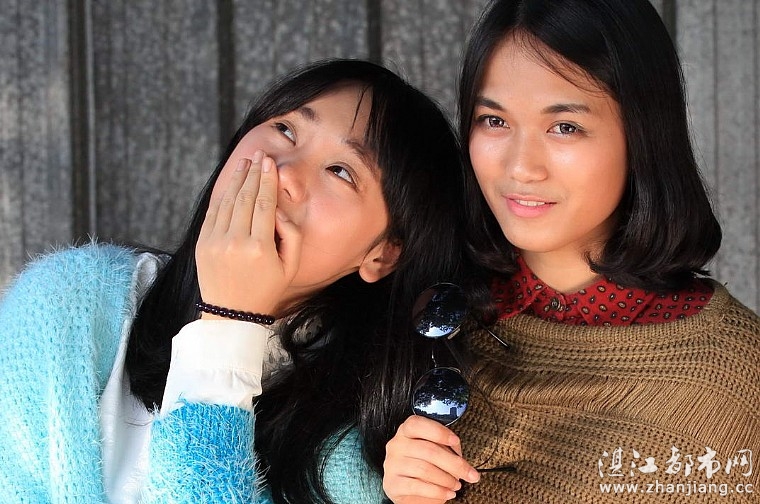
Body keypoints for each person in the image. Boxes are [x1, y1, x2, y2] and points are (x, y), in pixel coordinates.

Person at [0, 59, 481, 503]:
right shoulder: (67, 303)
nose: (282, 172)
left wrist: (228, 326)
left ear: (383, 254)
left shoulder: (358, 453)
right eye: (285, 130)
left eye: (340, 171)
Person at [383, 0, 760, 502]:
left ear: (643, 134)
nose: (521, 166)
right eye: (494, 120)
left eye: (565, 127)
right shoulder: (424, 313)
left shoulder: (733, 378)